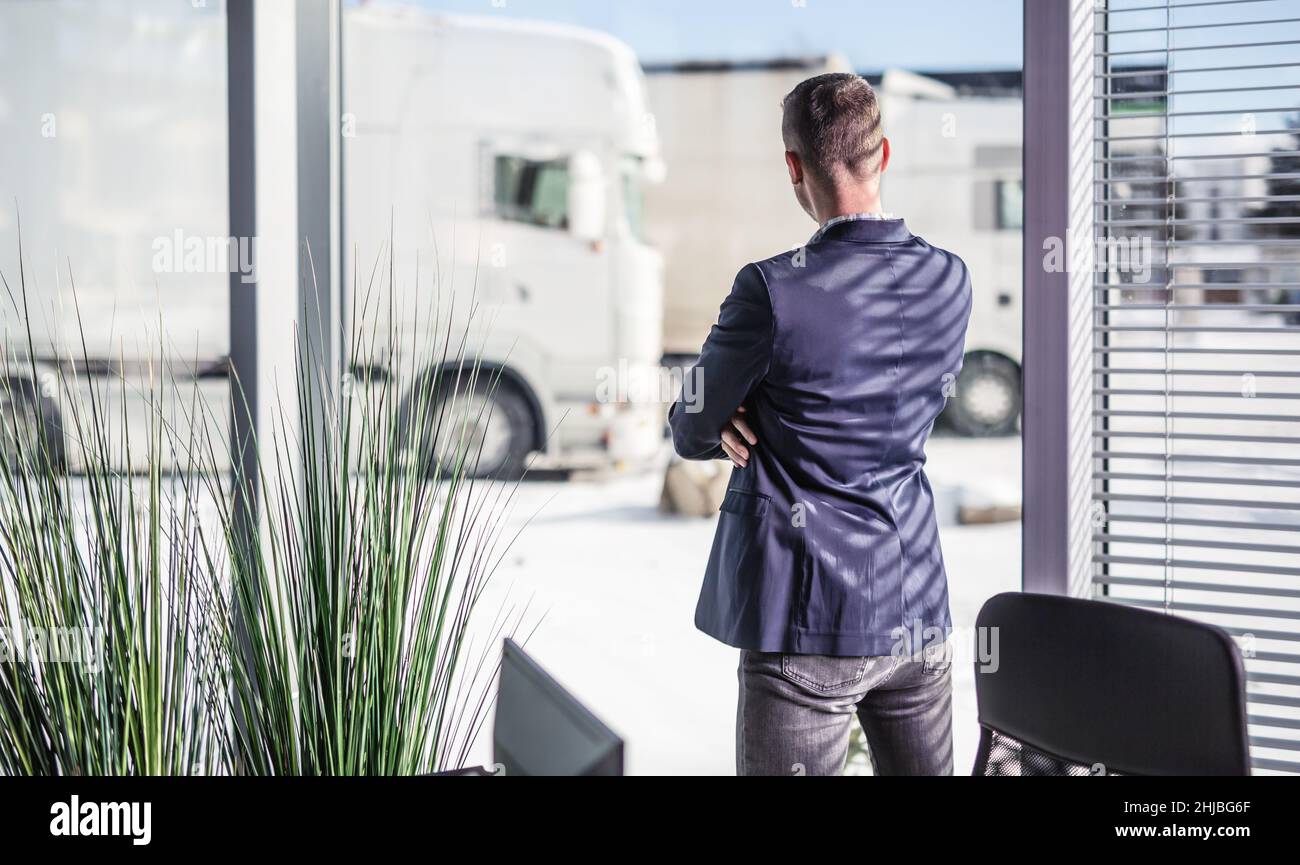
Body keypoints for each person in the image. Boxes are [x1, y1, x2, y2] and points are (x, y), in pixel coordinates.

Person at [668, 72, 973, 776]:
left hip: (808, 620)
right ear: (884, 154)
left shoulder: (771, 289)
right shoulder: (950, 280)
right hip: (916, 608)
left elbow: (690, 425)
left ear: (793, 167)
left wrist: (732, 413)